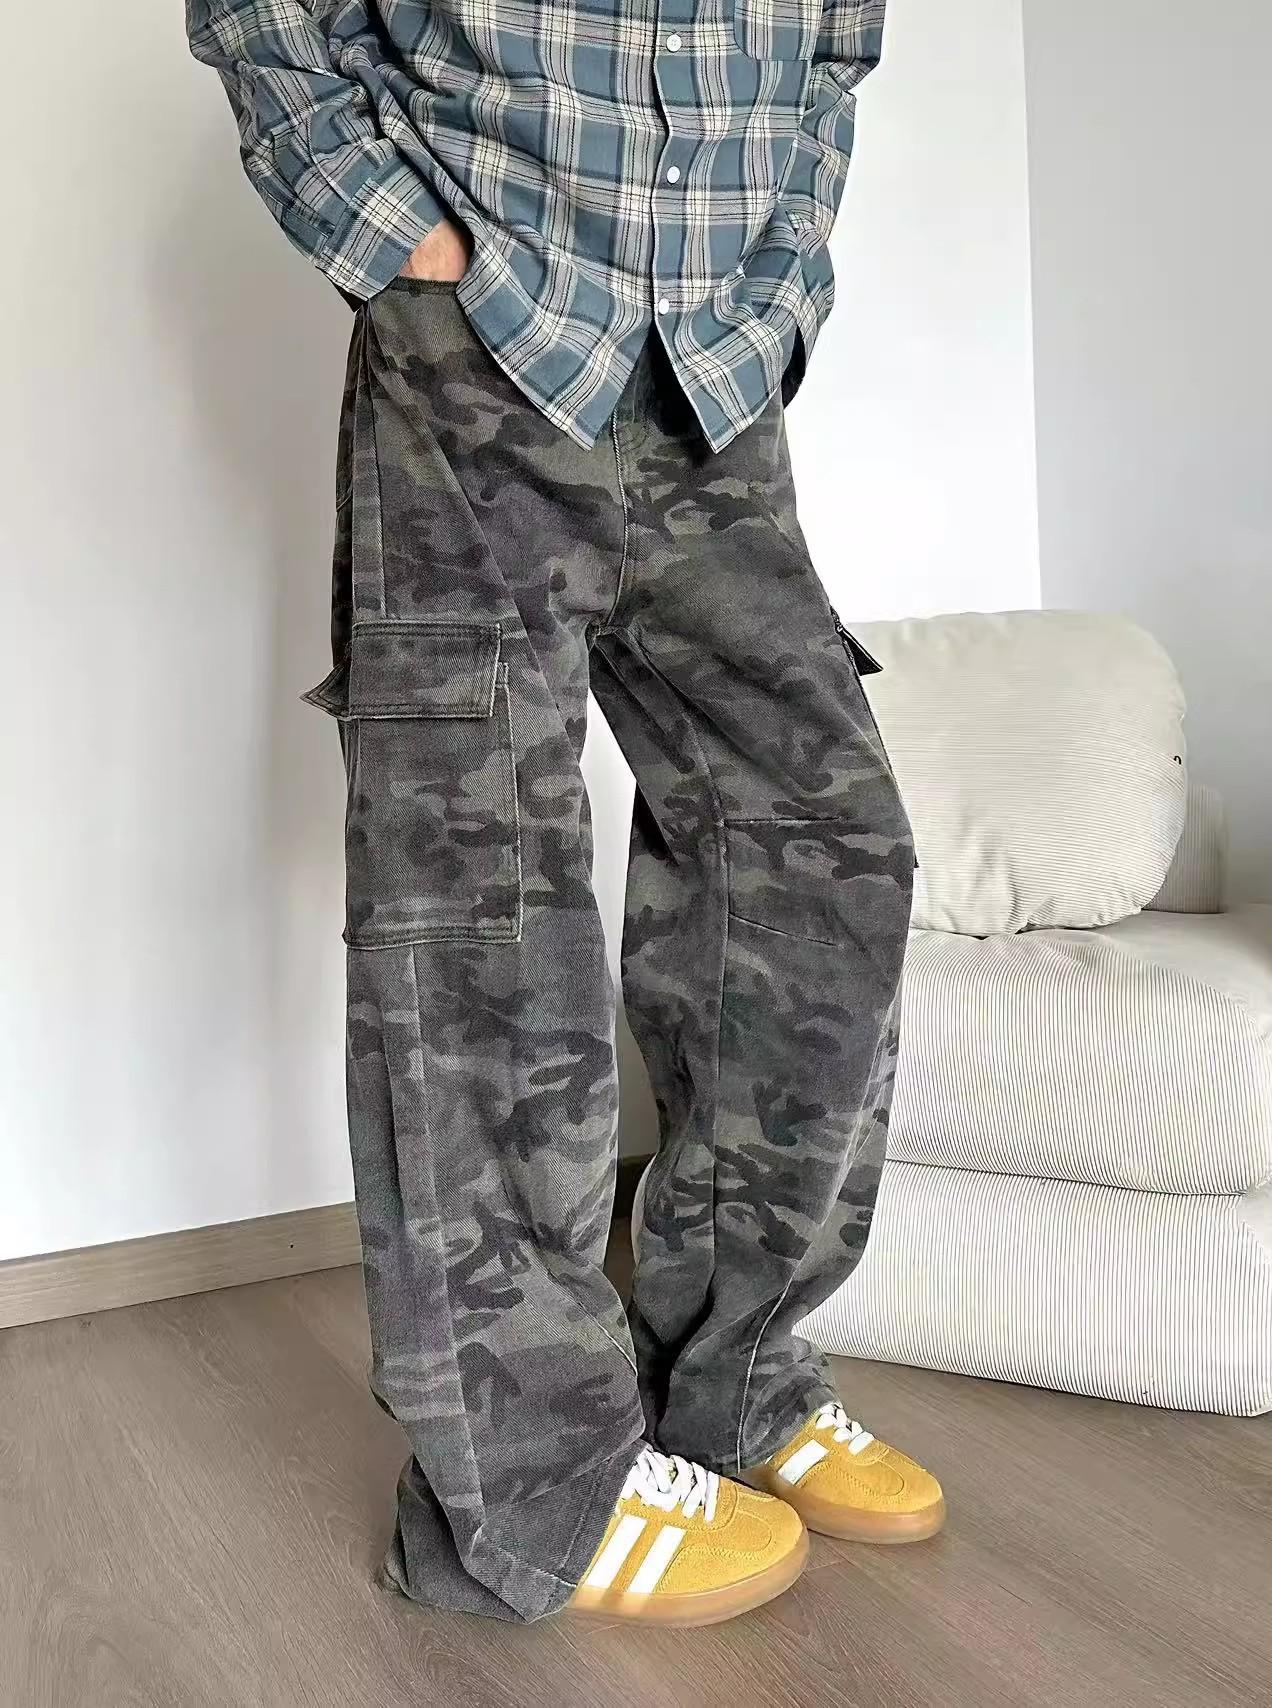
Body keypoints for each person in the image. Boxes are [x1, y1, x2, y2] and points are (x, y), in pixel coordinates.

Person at [187, 0, 942, 1627]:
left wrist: (783, 278)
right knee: (482, 913)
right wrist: (406, 249)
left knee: (826, 859)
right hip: (483, 342)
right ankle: (530, 1491)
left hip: (714, 367)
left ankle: (730, 1380)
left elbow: (835, 49)